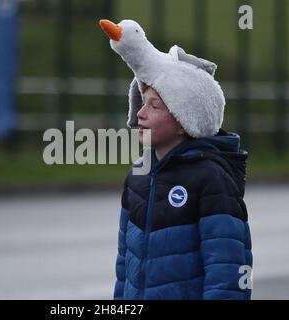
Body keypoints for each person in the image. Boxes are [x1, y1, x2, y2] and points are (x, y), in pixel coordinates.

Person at [99, 19, 253, 300]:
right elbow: (124, 265)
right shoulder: (138, 176)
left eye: (154, 106)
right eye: (142, 102)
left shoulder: (212, 180)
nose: (139, 114)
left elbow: (227, 273)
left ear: (185, 119)